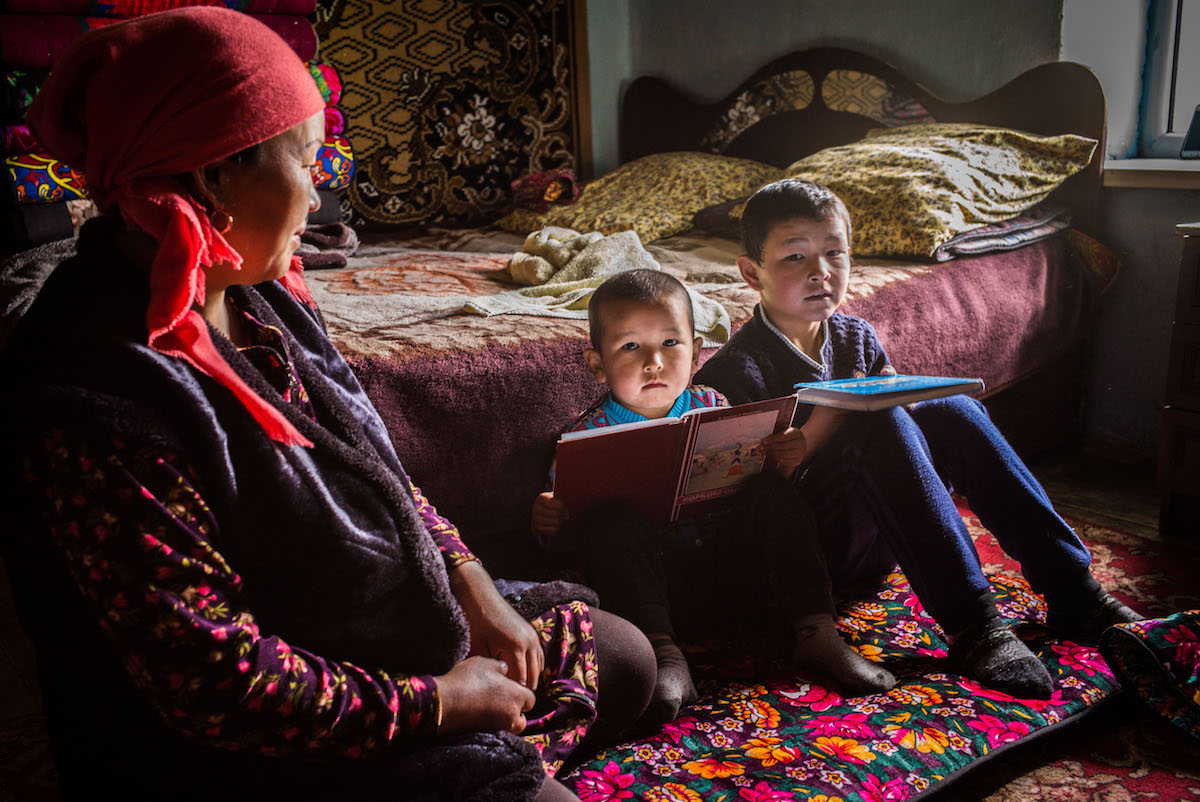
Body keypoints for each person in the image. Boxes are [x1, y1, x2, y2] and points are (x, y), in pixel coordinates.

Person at [0, 9, 655, 801]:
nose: (319, 196)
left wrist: (469, 578)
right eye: (307, 163)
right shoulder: (94, 393)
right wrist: (446, 702)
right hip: (248, 743)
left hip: (366, 627)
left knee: (624, 655)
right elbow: (216, 684)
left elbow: (371, 466)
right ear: (211, 178)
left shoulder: (254, 294)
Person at [693, 178, 1142, 700]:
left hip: (878, 534)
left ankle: (1072, 589)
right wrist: (822, 431)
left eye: (835, 253)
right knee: (874, 420)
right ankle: (973, 623)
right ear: (752, 272)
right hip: (804, 564)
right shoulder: (737, 372)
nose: (821, 273)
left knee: (951, 409)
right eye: (795, 257)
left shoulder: (854, 336)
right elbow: (752, 499)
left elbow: (904, 438)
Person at [532, 269, 896, 725]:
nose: (654, 362)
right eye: (630, 347)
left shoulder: (714, 405)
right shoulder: (584, 437)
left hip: (735, 576)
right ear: (597, 364)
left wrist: (777, 454)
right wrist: (549, 520)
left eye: (670, 343)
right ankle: (666, 658)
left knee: (771, 492)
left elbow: (757, 492)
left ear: (697, 350)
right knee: (612, 526)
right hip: (660, 594)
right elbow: (565, 541)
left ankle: (817, 630)